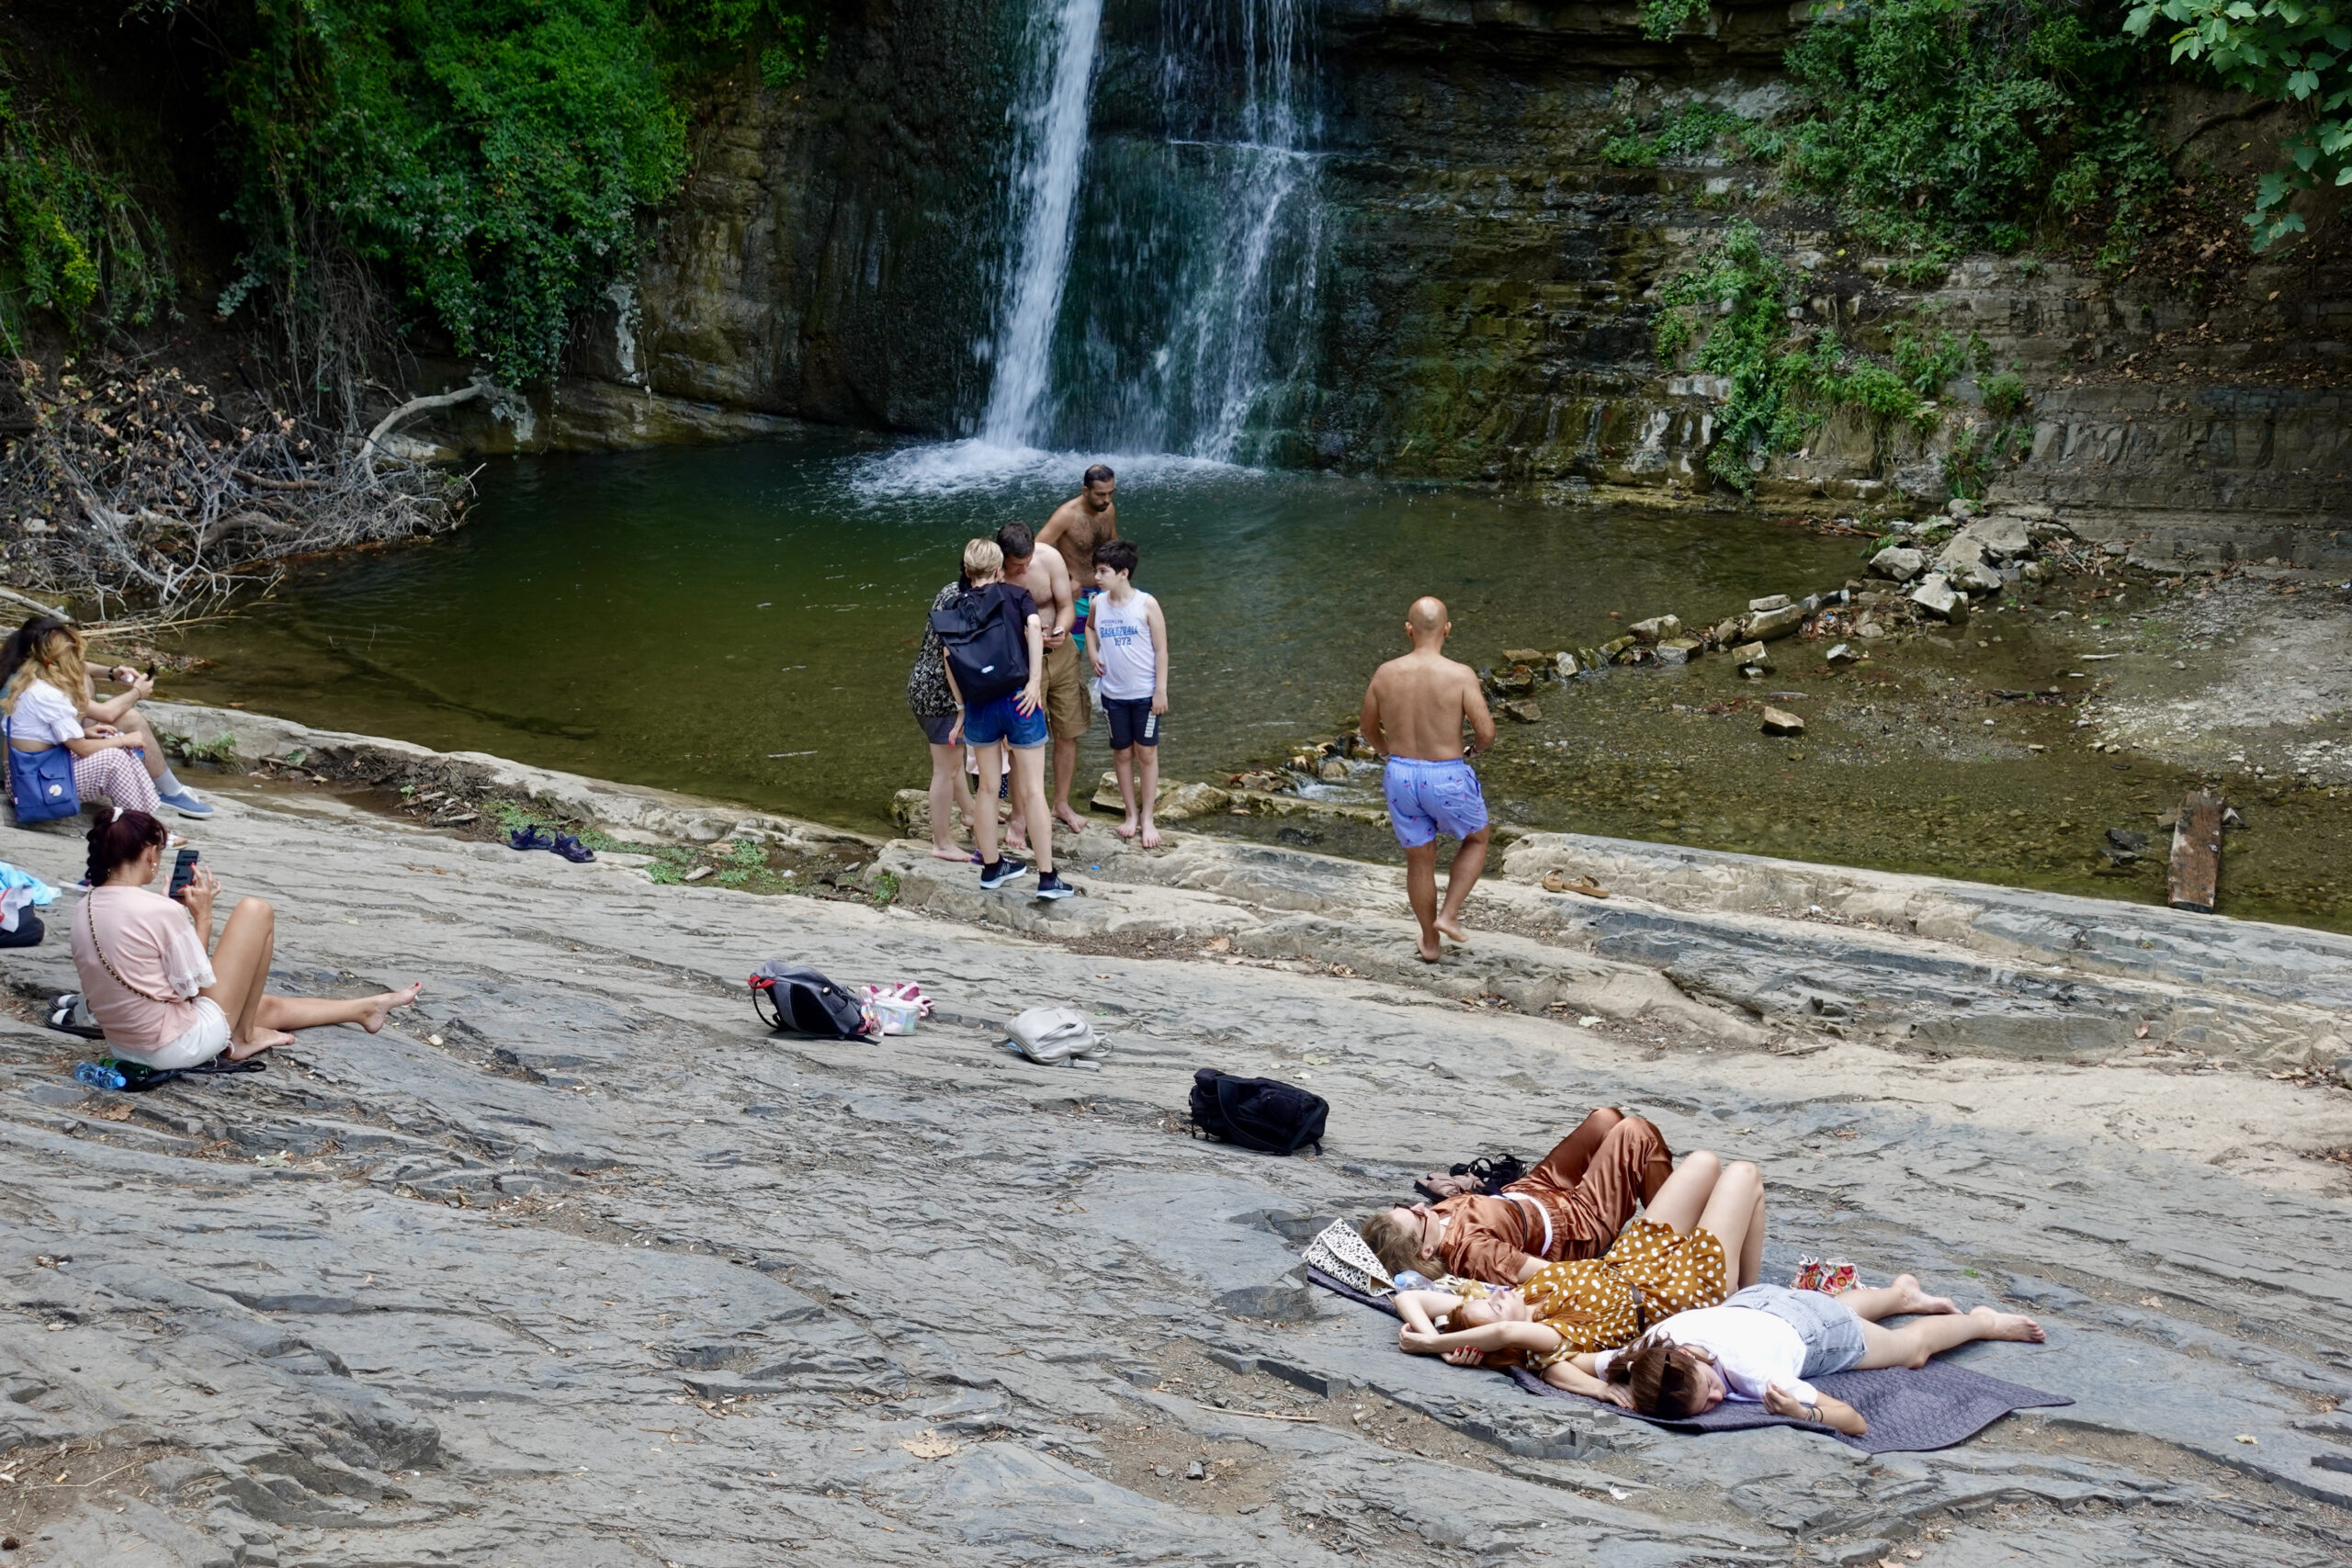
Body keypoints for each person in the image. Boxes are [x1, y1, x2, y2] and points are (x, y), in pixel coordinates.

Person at [69, 807, 423, 1066]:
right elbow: (194, 986)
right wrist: (201, 917)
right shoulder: (161, 912)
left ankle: (365, 1008)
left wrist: (169, 919)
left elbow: (145, 972)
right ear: (149, 853)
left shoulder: (85, 905)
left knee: (264, 1006)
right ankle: (241, 1038)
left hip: (126, 1046)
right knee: (256, 910)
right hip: (173, 1047)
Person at [1391, 1151, 1766, 1378]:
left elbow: (1408, 1298)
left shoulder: (1519, 1297)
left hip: (1631, 1258)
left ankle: (1740, 1298)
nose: (1496, 1294)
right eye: (1495, 1306)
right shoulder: (1550, 1337)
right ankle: (1743, 1303)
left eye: (1489, 1300)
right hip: (1676, 1290)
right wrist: (1431, 1347)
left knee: (1705, 1162)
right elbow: (1503, 1336)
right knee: (1744, 1175)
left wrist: (1436, 1339)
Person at [1565, 1277, 2046, 1435]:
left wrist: (1801, 1411)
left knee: (1912, 1350)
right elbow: (1560, 1362)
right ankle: (1900, 1294)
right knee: (1836, 1308)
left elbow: (1854, 1421)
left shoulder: (1754, 1373)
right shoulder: (1649, 1357)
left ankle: (1983, 1321)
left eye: (1710, 1390)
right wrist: (1603, 1383)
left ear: (1698, 1361)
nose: (1716, 1401)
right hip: (1764, 1301)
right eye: (1707, 1406)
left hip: (1817, 1332)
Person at [1358, 1108, 1674, 1285]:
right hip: (1577, 1222)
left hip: (1532, 1190)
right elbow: (1550, 1274)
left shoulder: (1436, 1224)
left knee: (1605, 1118)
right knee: (1635, 1131)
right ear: (1426, 1251)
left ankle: (1671, 1203)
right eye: (1416, 1215)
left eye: (1404, 1206)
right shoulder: (1475, 1252)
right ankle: (1675, 1234)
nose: (1417, 1205)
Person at [1360, 597, 1495, 963]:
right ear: (1447, 630)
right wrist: (1474, 753)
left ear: (1408, 630)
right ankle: (1448, 916)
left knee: (1420, 859)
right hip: (1446, 772)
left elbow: (1367, 728)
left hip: (1401, 774)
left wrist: (1388, 753)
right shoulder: (1460, 674)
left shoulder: (1385, 673)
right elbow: (1485, 732)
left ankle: (1429, 943)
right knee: (1477, 839)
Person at [942, 538, 1073, 900]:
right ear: (1000, 569)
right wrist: (1033, 682)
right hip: (1020, 701)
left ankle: (992, 866)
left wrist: (962, 707)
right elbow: (1034, 628)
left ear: (968, 571)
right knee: (1032, 790)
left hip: (981, 705)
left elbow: (947, 654)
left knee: (986, 788)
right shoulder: (1016, 596)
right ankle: (1048, 879)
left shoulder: (956, 604)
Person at [0, 615, 211, 818]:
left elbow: (42, 732)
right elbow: (101, 719)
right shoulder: (46, 691)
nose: (76, 661)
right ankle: (145, 822)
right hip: (30, 778)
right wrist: (136, 695)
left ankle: (153, 810)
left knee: (117, 737)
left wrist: (111, 673)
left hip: (38, 763)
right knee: (116, 754)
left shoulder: (34, 674)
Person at [1035, 466, 1118, 830]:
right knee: (1076, 655)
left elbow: (1112, 547)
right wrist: (1064, 580)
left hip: (1104, 592)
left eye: (1111, 493)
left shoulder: (1108, 510)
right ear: (1085, 490)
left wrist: (1120, 586)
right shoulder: (1066, 515)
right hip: (1078, 599)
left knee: (1112, 656)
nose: (1107, 500)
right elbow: (1037, 549)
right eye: (1100, 494)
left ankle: (1099, 700)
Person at [996, 521, 1089, 839]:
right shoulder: (995, 574)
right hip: (1021, 664)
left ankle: (1061, 803)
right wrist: (1029, 637)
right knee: (1022, 742)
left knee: (1068, 731)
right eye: (1015, 566)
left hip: (1061, 658)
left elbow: (1066, 607)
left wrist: (1061, 631)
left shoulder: (1049, 559)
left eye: (1025, 563)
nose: (1021, 571)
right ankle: (1019, 816)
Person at [1088, 538, 1169, 848]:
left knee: (1146, 753)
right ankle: (1130, 814)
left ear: (1123, 573)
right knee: (1121, 753)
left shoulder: (1146, 604)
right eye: (1096, 570)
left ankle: (1148, 817)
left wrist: (1160, 690)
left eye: (1103, 571)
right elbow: (1090, 628)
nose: (1097, 577)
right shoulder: (1098, 603)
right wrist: (1093, 654)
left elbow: (1161, 650)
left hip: (1145, 694)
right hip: (1113, 695)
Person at [907, 569, 982, 863]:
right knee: (946, 770)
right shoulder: (966, 603)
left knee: (953, 761)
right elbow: (951, 656)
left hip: (922, 684)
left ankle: (969, 813)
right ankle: (941, 842)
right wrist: (962, 707)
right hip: (941, 696)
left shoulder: (951, 589)